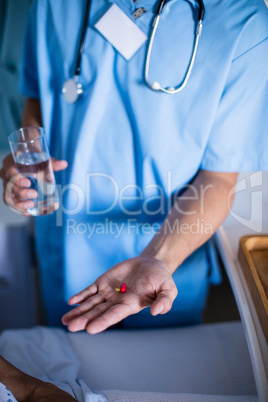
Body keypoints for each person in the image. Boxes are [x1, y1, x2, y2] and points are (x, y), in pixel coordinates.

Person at [0, 0, 268, 332]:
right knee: (65, 367)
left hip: (165, 255)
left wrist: (158, 260)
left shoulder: (244, 21)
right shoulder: (53, 5)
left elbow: (219, 178)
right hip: (65, 242)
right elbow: (39, 98)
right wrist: (27, 165)